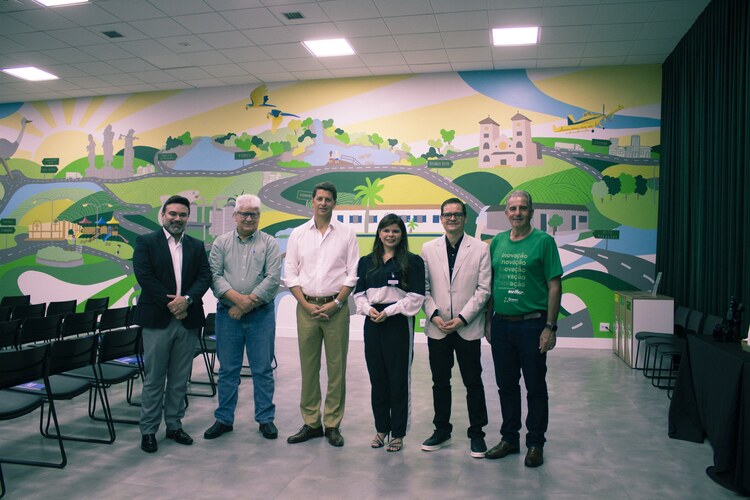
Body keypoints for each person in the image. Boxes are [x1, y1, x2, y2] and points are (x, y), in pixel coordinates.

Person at [485, 190, 562, 468]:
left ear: (531, 212)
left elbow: (555, 286)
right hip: (502, 325)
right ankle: (509, 439)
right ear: (506, 213)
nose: (517, 213)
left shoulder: (544, 242)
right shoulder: (497, 242)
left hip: (532, 325)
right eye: (512, 208)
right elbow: (490, 284)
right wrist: (488, 320)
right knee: (506, 386)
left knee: (535, 387)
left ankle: (535, 443)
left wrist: (549, 326)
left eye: (523, 208)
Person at [133, 194, 211, 453]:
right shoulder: (146, 242)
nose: (177, 218)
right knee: (154, 379)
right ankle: (148, 430)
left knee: (179, 379)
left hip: (187, 320)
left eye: (182, 215)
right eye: (173, 214)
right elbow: (144, 276)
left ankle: (174, 425)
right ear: (163, 215)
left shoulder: (196, 246)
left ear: (188, 218)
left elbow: (204, 277)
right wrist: (173, 304)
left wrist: (186, 300)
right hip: (158, 320)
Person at [284, 182, 359, 447]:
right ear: (312, 202)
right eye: (319, 199)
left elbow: (353, 273)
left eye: (328, 199)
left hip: (336, 309)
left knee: (337, 369)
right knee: (309, 368)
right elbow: (290, 273)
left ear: (335, 203)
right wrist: (305, 304)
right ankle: (311, 423)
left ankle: (333, 424)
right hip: (306, 309)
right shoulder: (298, 234)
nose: (323, 203)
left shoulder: (347, 233)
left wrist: (337, 302)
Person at [204, 194, 281, 441]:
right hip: (229, 315)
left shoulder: (270, 243)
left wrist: (245, 305)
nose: (249, 218)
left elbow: (273, 279)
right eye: (245, 214)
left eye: (254, 214)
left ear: (259, 216)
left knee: (262, 369)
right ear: (235, 216)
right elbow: (215, 276)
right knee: (228, 370)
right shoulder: (221, 243)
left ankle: (265, 419)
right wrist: (238, 302)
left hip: (261, 315)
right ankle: (224, 419)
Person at [421, 198, 490, 458]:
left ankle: (477, 434)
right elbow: (423, 288)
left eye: (457, 214)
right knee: (440, 382)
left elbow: (484, 289)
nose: (452, 218)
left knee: (473, 382)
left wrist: (462, 318)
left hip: (467, 327)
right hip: (438, 328)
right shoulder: (428, 249)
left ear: (465, 218)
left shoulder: (480, 249)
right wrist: (434, 315)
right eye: (447, 214)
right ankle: (442, 431)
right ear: (441, 218)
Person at [353, 214, 425, 452]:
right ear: (379, 233)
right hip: (373, 322)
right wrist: (368, 310)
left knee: (398, 379)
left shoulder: (412, 261)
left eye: (395, 231)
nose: (390, 235)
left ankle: (398, 433)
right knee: (378, 379)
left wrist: (390, 311)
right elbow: (358, 294)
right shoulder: (366, 262)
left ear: (402, 234)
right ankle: (381, 429)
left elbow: (416, 298)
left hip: (399, 324)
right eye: (386, 231)